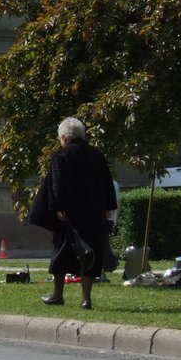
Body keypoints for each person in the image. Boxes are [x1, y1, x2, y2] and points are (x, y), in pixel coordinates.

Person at [28, 117, 117, 310]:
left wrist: (57, 208)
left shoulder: (61, 155)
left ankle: (57, 294)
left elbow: (56, 184)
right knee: (90, 255)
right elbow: (107, 183)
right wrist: (108, 208)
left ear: (64, 137)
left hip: (69, 215)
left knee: (61, 253)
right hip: (93, 212)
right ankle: (86, 299)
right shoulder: (97, 155)